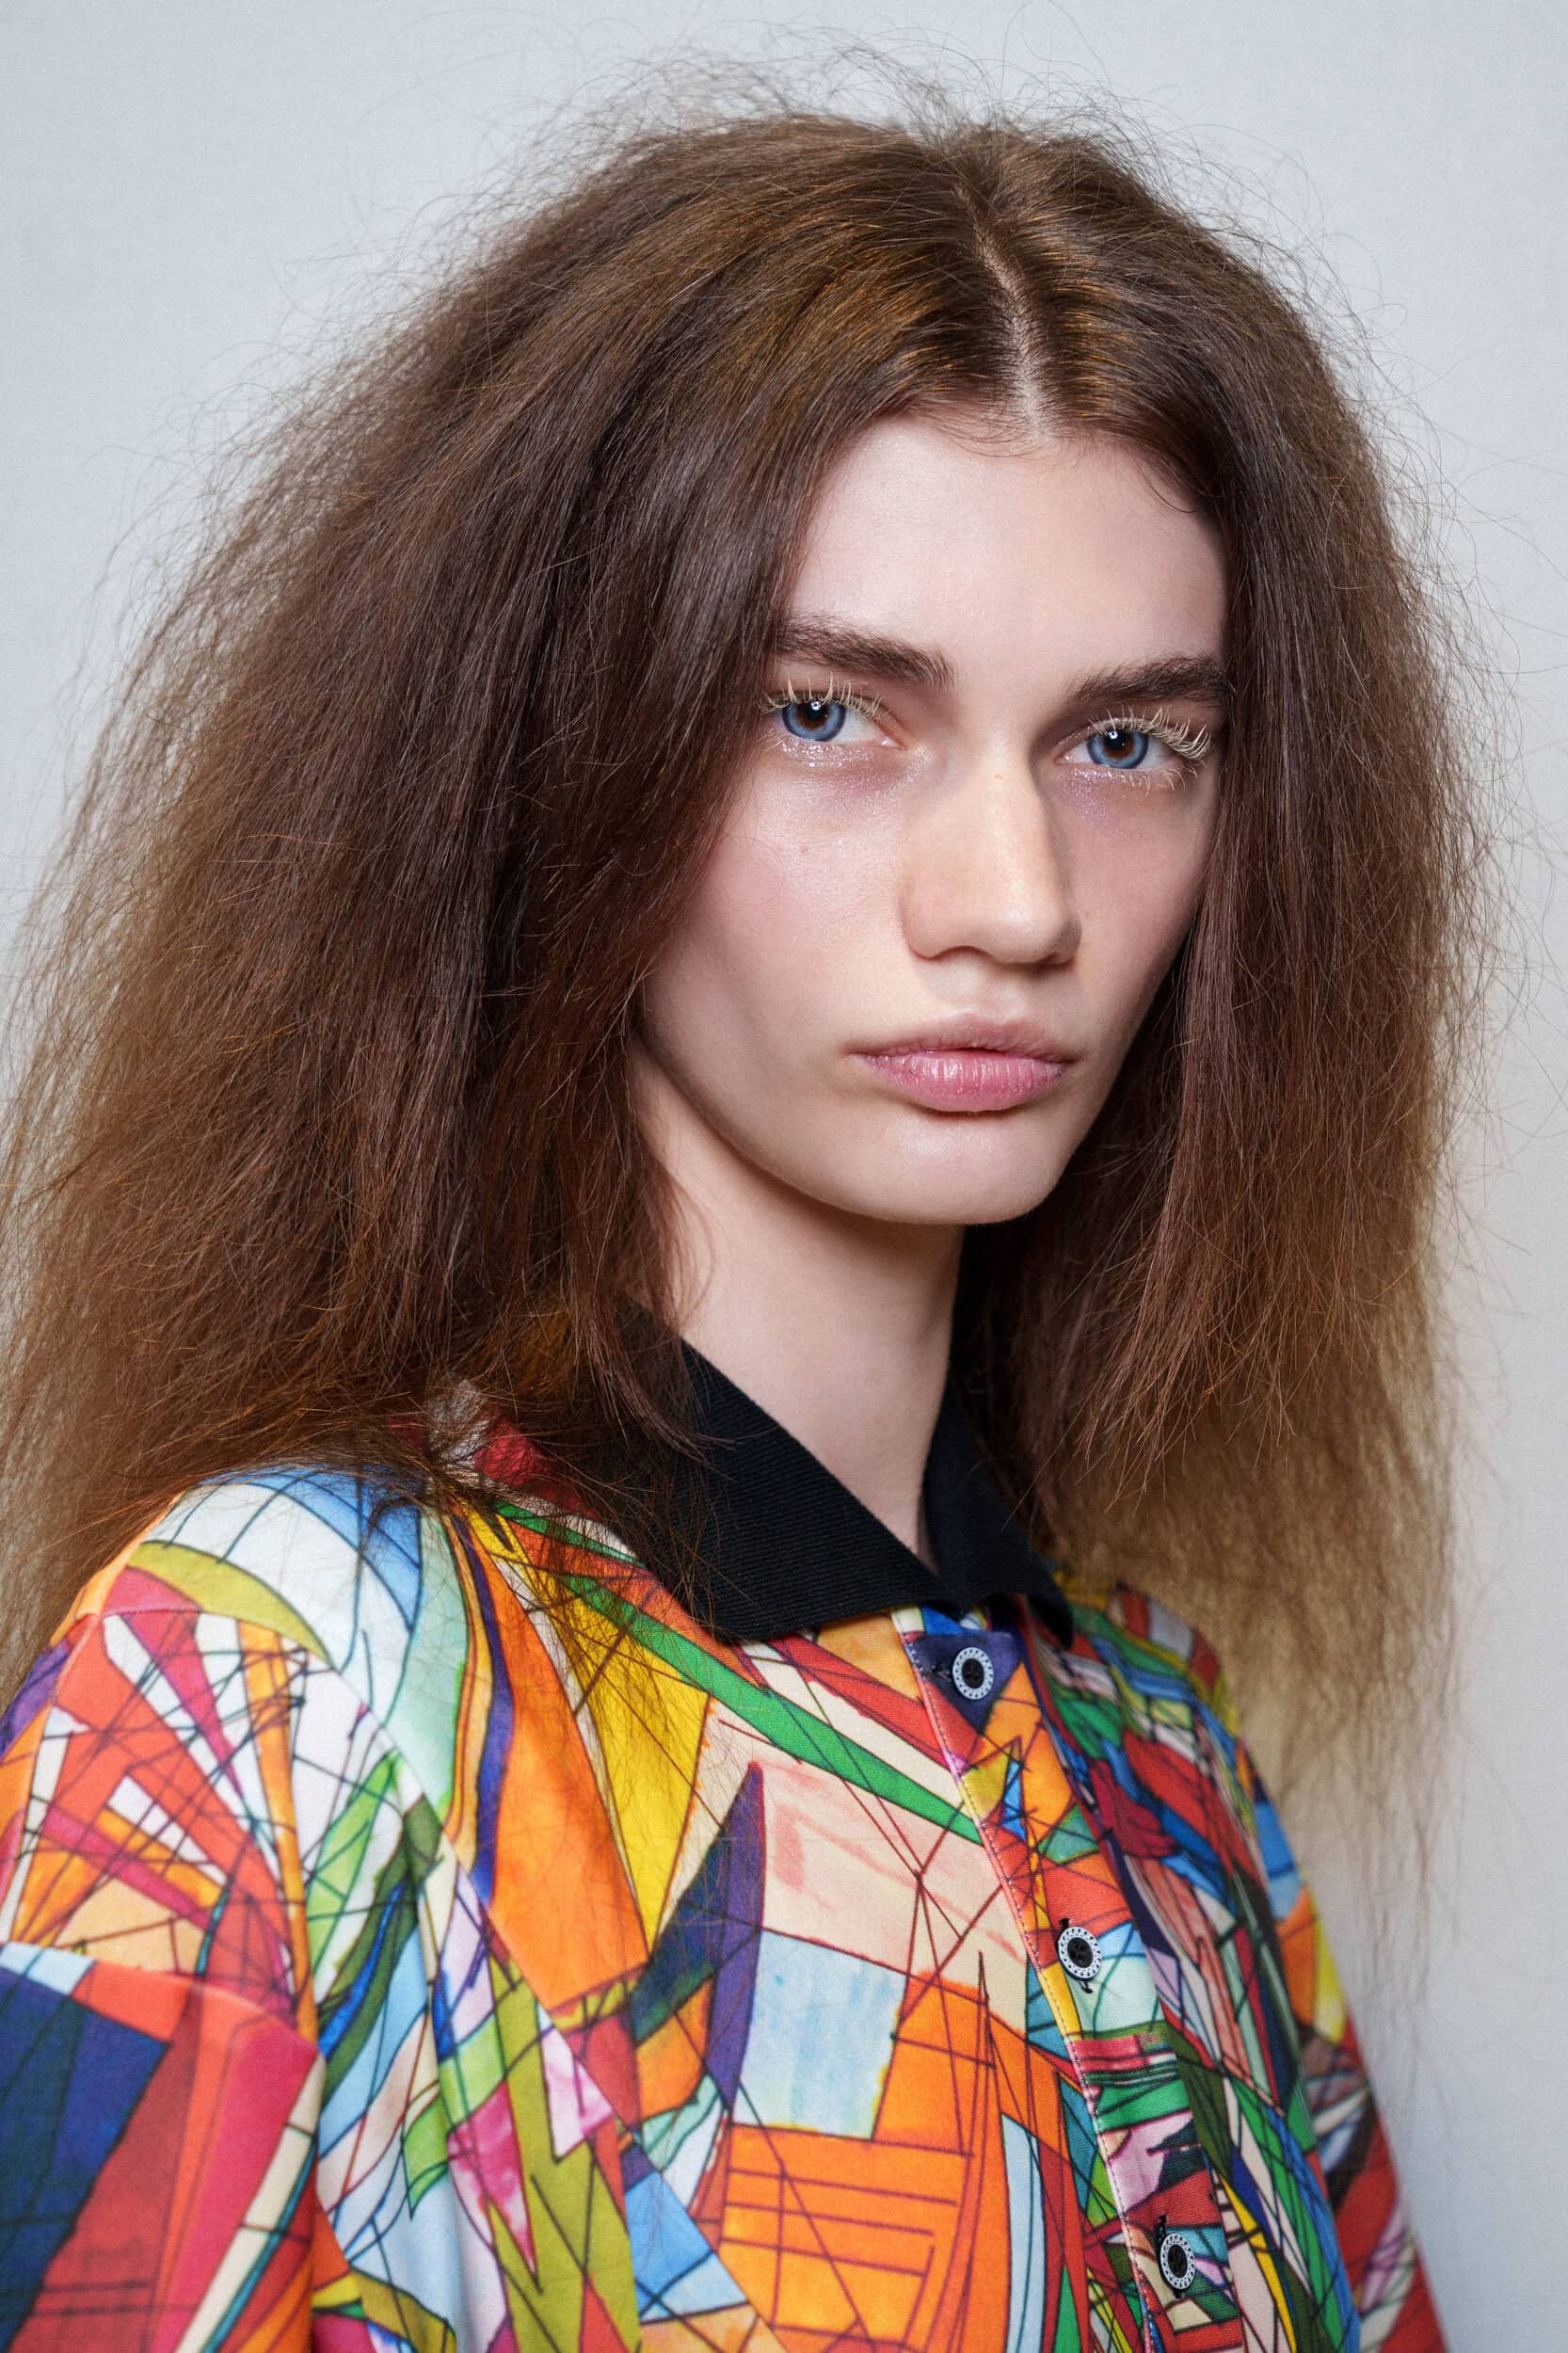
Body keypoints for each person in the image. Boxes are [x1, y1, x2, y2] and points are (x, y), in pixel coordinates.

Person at [0, 75, 1487, 2353]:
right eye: (826, 710)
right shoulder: (273, 1682)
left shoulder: (1165, 1751)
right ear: (555, 747)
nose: (1012, 902)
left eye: (1123, 742)